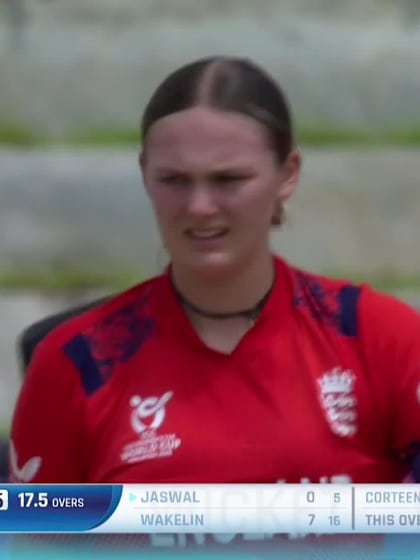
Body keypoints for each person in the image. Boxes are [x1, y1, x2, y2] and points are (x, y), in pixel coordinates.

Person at [8, 55, 420, 553]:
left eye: (228, 180)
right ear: (145, 175)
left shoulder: (382, 338)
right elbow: (36, 548)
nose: (200, 206)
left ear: (286, 174)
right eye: (175, 180)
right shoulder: (76, 362)